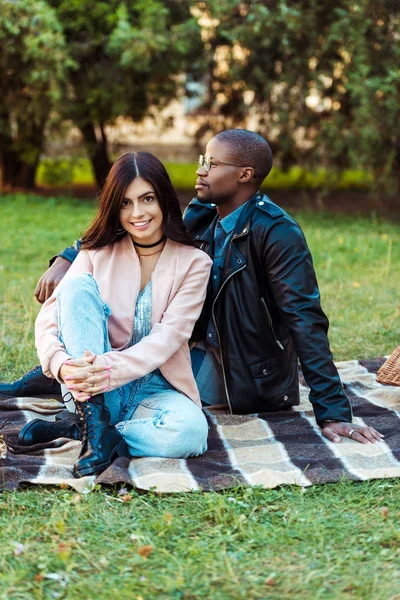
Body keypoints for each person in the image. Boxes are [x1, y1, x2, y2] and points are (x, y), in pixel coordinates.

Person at [2, 130, 383, 446]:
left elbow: (306, 321)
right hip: (179, 344)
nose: (200, 171)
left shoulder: (278, 233)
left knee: (146, 374)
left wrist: (333, 412)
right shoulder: (204, 212)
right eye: (203, 159)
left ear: (245, 174)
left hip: (234, 368)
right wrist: (69, 257)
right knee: (104, 321)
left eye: (213, 164)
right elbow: (138, 222)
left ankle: (78, 423)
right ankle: (59, 388)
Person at [15, 152, 212, 478]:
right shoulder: (96, 252)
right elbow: (50, 317)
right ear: (114, 208)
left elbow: (168, 338)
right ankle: (94, 419)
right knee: (75, 286)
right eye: (125, 203)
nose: (138, 213)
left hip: (158, 388)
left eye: (147, 199)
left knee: (191, 433)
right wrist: (61, 365)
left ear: (163, 198)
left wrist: (105, 370)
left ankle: (85, 431)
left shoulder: (194, 263)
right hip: (93, 390)